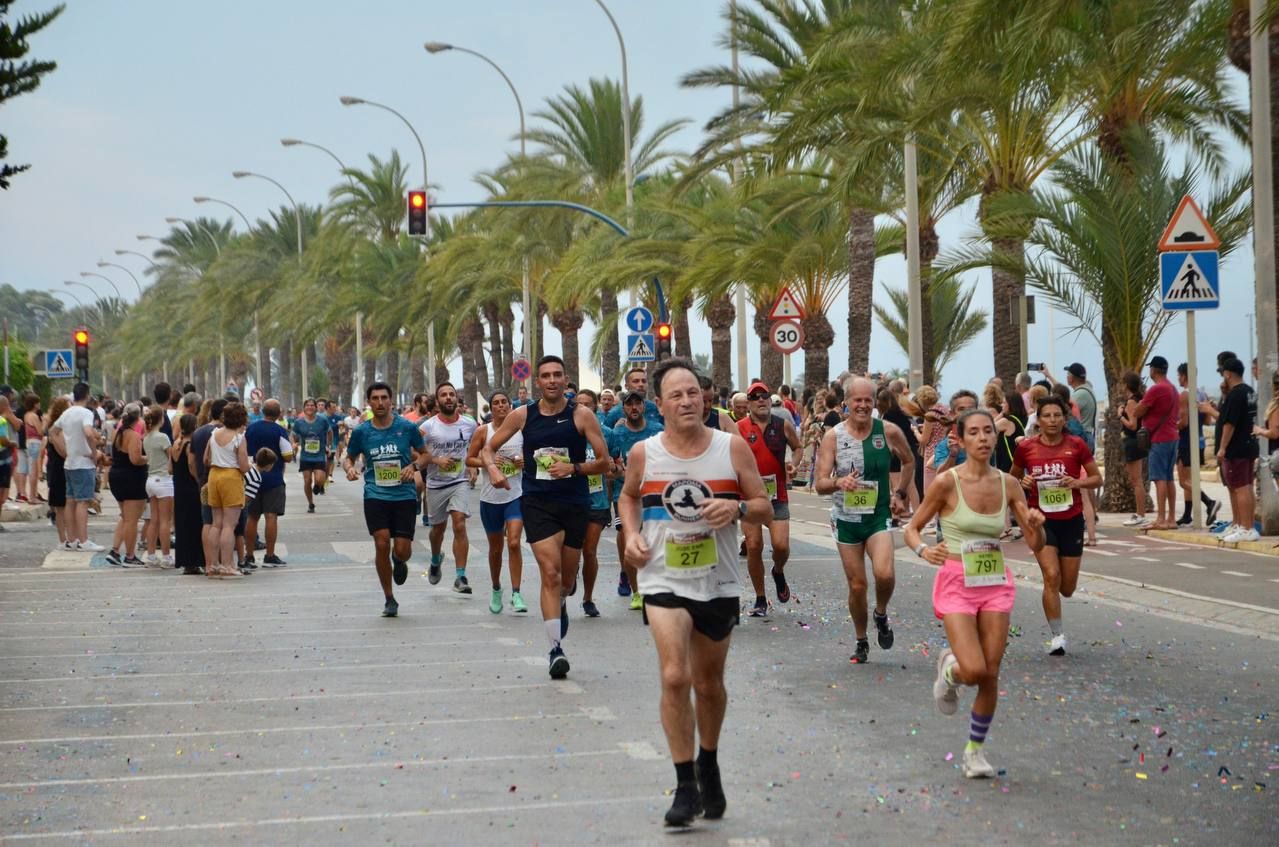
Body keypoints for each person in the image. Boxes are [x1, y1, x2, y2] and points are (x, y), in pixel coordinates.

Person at [618, 357, 771, 827]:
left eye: (694, 393)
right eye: (676, 395)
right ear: (659, 404)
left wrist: (738, 506)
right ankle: (685, 784)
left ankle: (708, 760)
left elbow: (765, 506)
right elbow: (626, 496)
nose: (687, 401)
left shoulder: (731, 449)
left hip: (717, 580)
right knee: (673, 675)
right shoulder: (646, 452)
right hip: (663, 578)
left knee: (708, 684)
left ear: (705, 399)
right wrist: (630, 535)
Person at [904, 408, 1046, 779]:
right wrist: (924, 550)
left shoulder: (1009, 484)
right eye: (974, 433)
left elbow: (1034, 542)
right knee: (973, 668)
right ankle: (949, 670)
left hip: (995, 581)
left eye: (988, 432)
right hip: (956, 580)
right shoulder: (946, 483)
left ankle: (974, 751)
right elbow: (912, 529)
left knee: (991, 672)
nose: (983, 438)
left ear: (994, 438)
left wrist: (1034, 525)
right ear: (961, 439)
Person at [482, 355, 611, 679]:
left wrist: (574, 468)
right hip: (538, 502)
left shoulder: (581, 416)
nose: (552, 380)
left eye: (557, 375)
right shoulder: (522, 415)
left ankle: (563, 601)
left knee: (566, 581)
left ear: (565, 380)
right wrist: (495, 469)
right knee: (550, 574)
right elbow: (487, 449)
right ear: (537, 382)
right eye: (546, 376)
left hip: (575, 503)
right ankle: (555, 649)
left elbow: (604, 462)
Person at [816, 377, 915, 664]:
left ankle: (880, 613)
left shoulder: (888, 431)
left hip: (877, 516)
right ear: (846, 402)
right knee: (857, 585)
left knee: (884, 574)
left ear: (874, 403)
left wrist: (900, 493)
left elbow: (909, 460)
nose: (862, 405)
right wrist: (838, 482)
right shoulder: (834, 436)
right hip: (846, 520)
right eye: (856, 400)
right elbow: (819, 483)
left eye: (867, 400)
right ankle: (861, 640)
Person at [1010, 396, 1101, 656]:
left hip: (1071, 520)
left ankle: (1059, 615)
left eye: (1057, 416)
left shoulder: (1077, 445)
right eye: (1046, 416)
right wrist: (1024, 483)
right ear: (1037, 420)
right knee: (1051, 576)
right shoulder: (1026, 448)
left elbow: (1096, 478)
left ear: (1065, 418)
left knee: (1067, 588)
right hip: (1041, 521)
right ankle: (1057, 636)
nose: (1052, 420)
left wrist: (1076, 483)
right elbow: (1011, 480)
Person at [343, 382, 425, 616]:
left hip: (404, 495)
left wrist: (414, 466)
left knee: (403, 549)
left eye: (384, 398)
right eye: (375, 398)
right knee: (381, 542)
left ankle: (399, 560)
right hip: (375, 493)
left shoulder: (407, 427)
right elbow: (348, 458)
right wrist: (349, 469)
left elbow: (426, 454)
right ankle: (389, 598)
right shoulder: (361, 431)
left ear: (391, 401)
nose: (380, 403)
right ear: (368, 403)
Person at [738, 380, 802, 617]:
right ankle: (760, 598)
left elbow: (798, 448)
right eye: (755, 397)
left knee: (781, 546)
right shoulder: (740, 428)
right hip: (750, 497)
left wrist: (793, 465)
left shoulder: (783, 425)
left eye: (764, 395)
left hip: (777, 495)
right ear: (749, 404)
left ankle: (778, 570)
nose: (761, 400)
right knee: (753, 545)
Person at [466, 390, 528, 615]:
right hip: (491, 498)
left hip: (516, 494)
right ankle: (496, 588)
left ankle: (517, 593)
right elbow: (470, 458)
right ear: (491, 408)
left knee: (513, 543)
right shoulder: (484, 431)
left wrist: (523, 462)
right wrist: (488, 463)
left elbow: (533, 455)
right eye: (497, 403)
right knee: (495, 549)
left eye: (505, 402)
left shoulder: (521, 430)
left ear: (510, 406)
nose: (501, 406)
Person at [418, 381, 478, 593]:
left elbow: (477, 447)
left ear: (456, 399)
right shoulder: (428, 427)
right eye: (444, 395)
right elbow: (414, 451)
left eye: (452, 394)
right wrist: (435, 460)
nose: (449, 398)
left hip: (459, 481)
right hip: (435, 483)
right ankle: (436, 558)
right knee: (438, 530)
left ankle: (460, 576)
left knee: (459, 523)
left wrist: (473, 465)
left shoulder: (470, 424)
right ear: (438, 400)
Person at [609, 389, 666, 609]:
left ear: (644, 407)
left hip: (653, 494)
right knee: (629, 542)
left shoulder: (657, 431)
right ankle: (636, 592)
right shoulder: (617, 434)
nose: (634, 408)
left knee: (654, 543)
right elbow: (611, 466)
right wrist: (617, 471)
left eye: (638, 404)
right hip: (624, 496)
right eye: (629, 404)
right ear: (623, 408)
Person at [46, 384, 103, 550]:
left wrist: (67, 449)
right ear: (87, 395)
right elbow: (88, 432)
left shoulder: (66, 413)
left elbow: (52, 431)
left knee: (70, 501)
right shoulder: (86, 413)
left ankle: (71, 539)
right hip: (83, 463)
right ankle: (84, 540)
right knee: (83, 502)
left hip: (69, 463)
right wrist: (93, 452)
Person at [571, 389, 611, 618]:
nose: (584, 407)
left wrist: (613, 469)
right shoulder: (568, 433)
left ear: (595, 407)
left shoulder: (606, 433)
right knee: (573, 551)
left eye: (588, 404)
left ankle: (588, 598)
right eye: (580, 403)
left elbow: (614, 463)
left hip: (597, 502)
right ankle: (571, 573)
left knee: (590, 550)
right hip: (572, 498)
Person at [244, 399, 293, 567]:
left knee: (251, 517)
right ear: (279, 414)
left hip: (251, 477)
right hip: (273, 479)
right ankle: (269, 555)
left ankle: (249, 555)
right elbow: (288, 456)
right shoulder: (280, 431)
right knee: (271, 516)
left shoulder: (251, 428)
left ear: (263, 411)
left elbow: (243, 449)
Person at [1215, 357, 1259, 542]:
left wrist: (1222, 447)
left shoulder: (1235, 394)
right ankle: (1246, 526)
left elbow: (1229, 424)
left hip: (1237, 448)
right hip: (1250, 445)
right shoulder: (1250, 391)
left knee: (1240, 488)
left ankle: (1245, 527)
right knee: (1247, 486)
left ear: (1228, 373)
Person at [204, 402, 250, 579]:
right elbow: (244, 466)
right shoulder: (239, 438)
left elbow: (206, 459)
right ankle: (227, 565)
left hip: (214, 475)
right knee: (229, 525)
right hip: (231, 477)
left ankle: (213, 564)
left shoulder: (214, 434)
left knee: (216, 523)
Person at [1133, 356, 1179, 530]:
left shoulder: (1156, 389)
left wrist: (1138, 406)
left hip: (1159, 439)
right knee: (1169, 478)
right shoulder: (1173, 389)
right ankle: (1171, 518)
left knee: (1159, 478)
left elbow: (1138, 411)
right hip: (1172, 437)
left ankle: (1161, 518)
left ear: (1153, 370)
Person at [1179, 362, 1221, 526]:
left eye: (1179, 375)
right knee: (1190, 479)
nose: (1178, 379)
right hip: (1200, 440)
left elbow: (1183, 422)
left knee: (1184, 481)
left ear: (1183, 376)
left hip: (1185, 440)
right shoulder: (1202, 394)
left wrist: (1170, 427)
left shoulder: (1184, 395)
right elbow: (1208, 420)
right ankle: (1187, 514)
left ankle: (1209, 502)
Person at [877, 386, 921, 516]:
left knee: (896, 483)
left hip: (895, 452)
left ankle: (896, 513)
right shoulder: (903, 413)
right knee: (910, 484)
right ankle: (913, 511)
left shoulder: (887, 416)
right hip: (910, 449)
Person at [171, 413, 204, 575]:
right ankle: (194, 560)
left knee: (182, 523)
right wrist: (199, 481)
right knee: (194, 523)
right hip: (191, 488)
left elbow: (170, 468)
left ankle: (184, 560)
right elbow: (192, 465)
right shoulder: (190, 444)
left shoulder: (176, 444)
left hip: (179, 487)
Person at [141, 406, 174, 567]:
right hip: (164, 480)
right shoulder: (163, 437)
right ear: (161, 419)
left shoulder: (146, 438)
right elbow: (171, 457)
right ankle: (167, 556)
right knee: (165, 521)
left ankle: (151, 554)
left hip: (151, 479)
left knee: (153, 519)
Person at [1118, 372, 1149, 527]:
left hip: (1132, 440)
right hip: (1138, 442)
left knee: (1136, 480)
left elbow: (1133, 424)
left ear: (1126, 385)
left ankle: (1140, 513)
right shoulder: (1138, 399)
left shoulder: (1131, 401)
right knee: (1137, 480)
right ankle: (1140, 512)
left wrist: (1120, 416)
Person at [291, 398, 331, 514]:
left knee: (319, 479)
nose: (310, 407)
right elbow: (293, 434)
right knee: (307, 481)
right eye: (307, 405)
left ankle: (318, 486)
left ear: (316, 407)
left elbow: (329, 432)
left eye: (312, 405)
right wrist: (293, 443)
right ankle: (310, 503)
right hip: (305, 456)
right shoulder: (299, 422)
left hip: (319, 455)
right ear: (304, 408)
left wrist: (328, 445)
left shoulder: (322, 420)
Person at [42, 397, 71, 548]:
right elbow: (63, 452)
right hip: (59, 469)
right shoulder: (55, 429)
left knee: (65, 505)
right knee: (61, 506)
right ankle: (63, 539)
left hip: (60, 468)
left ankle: (67, 538)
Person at [22, 394, 45, 504]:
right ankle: (32, 496)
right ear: (35, 404)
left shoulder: (26, 415)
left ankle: (33, 495)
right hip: (35, 443)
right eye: (38, 402)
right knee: (34, 472)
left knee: (33, 470)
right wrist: (44, 422)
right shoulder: (34, 416)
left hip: (29, 442)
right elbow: (40, 431)